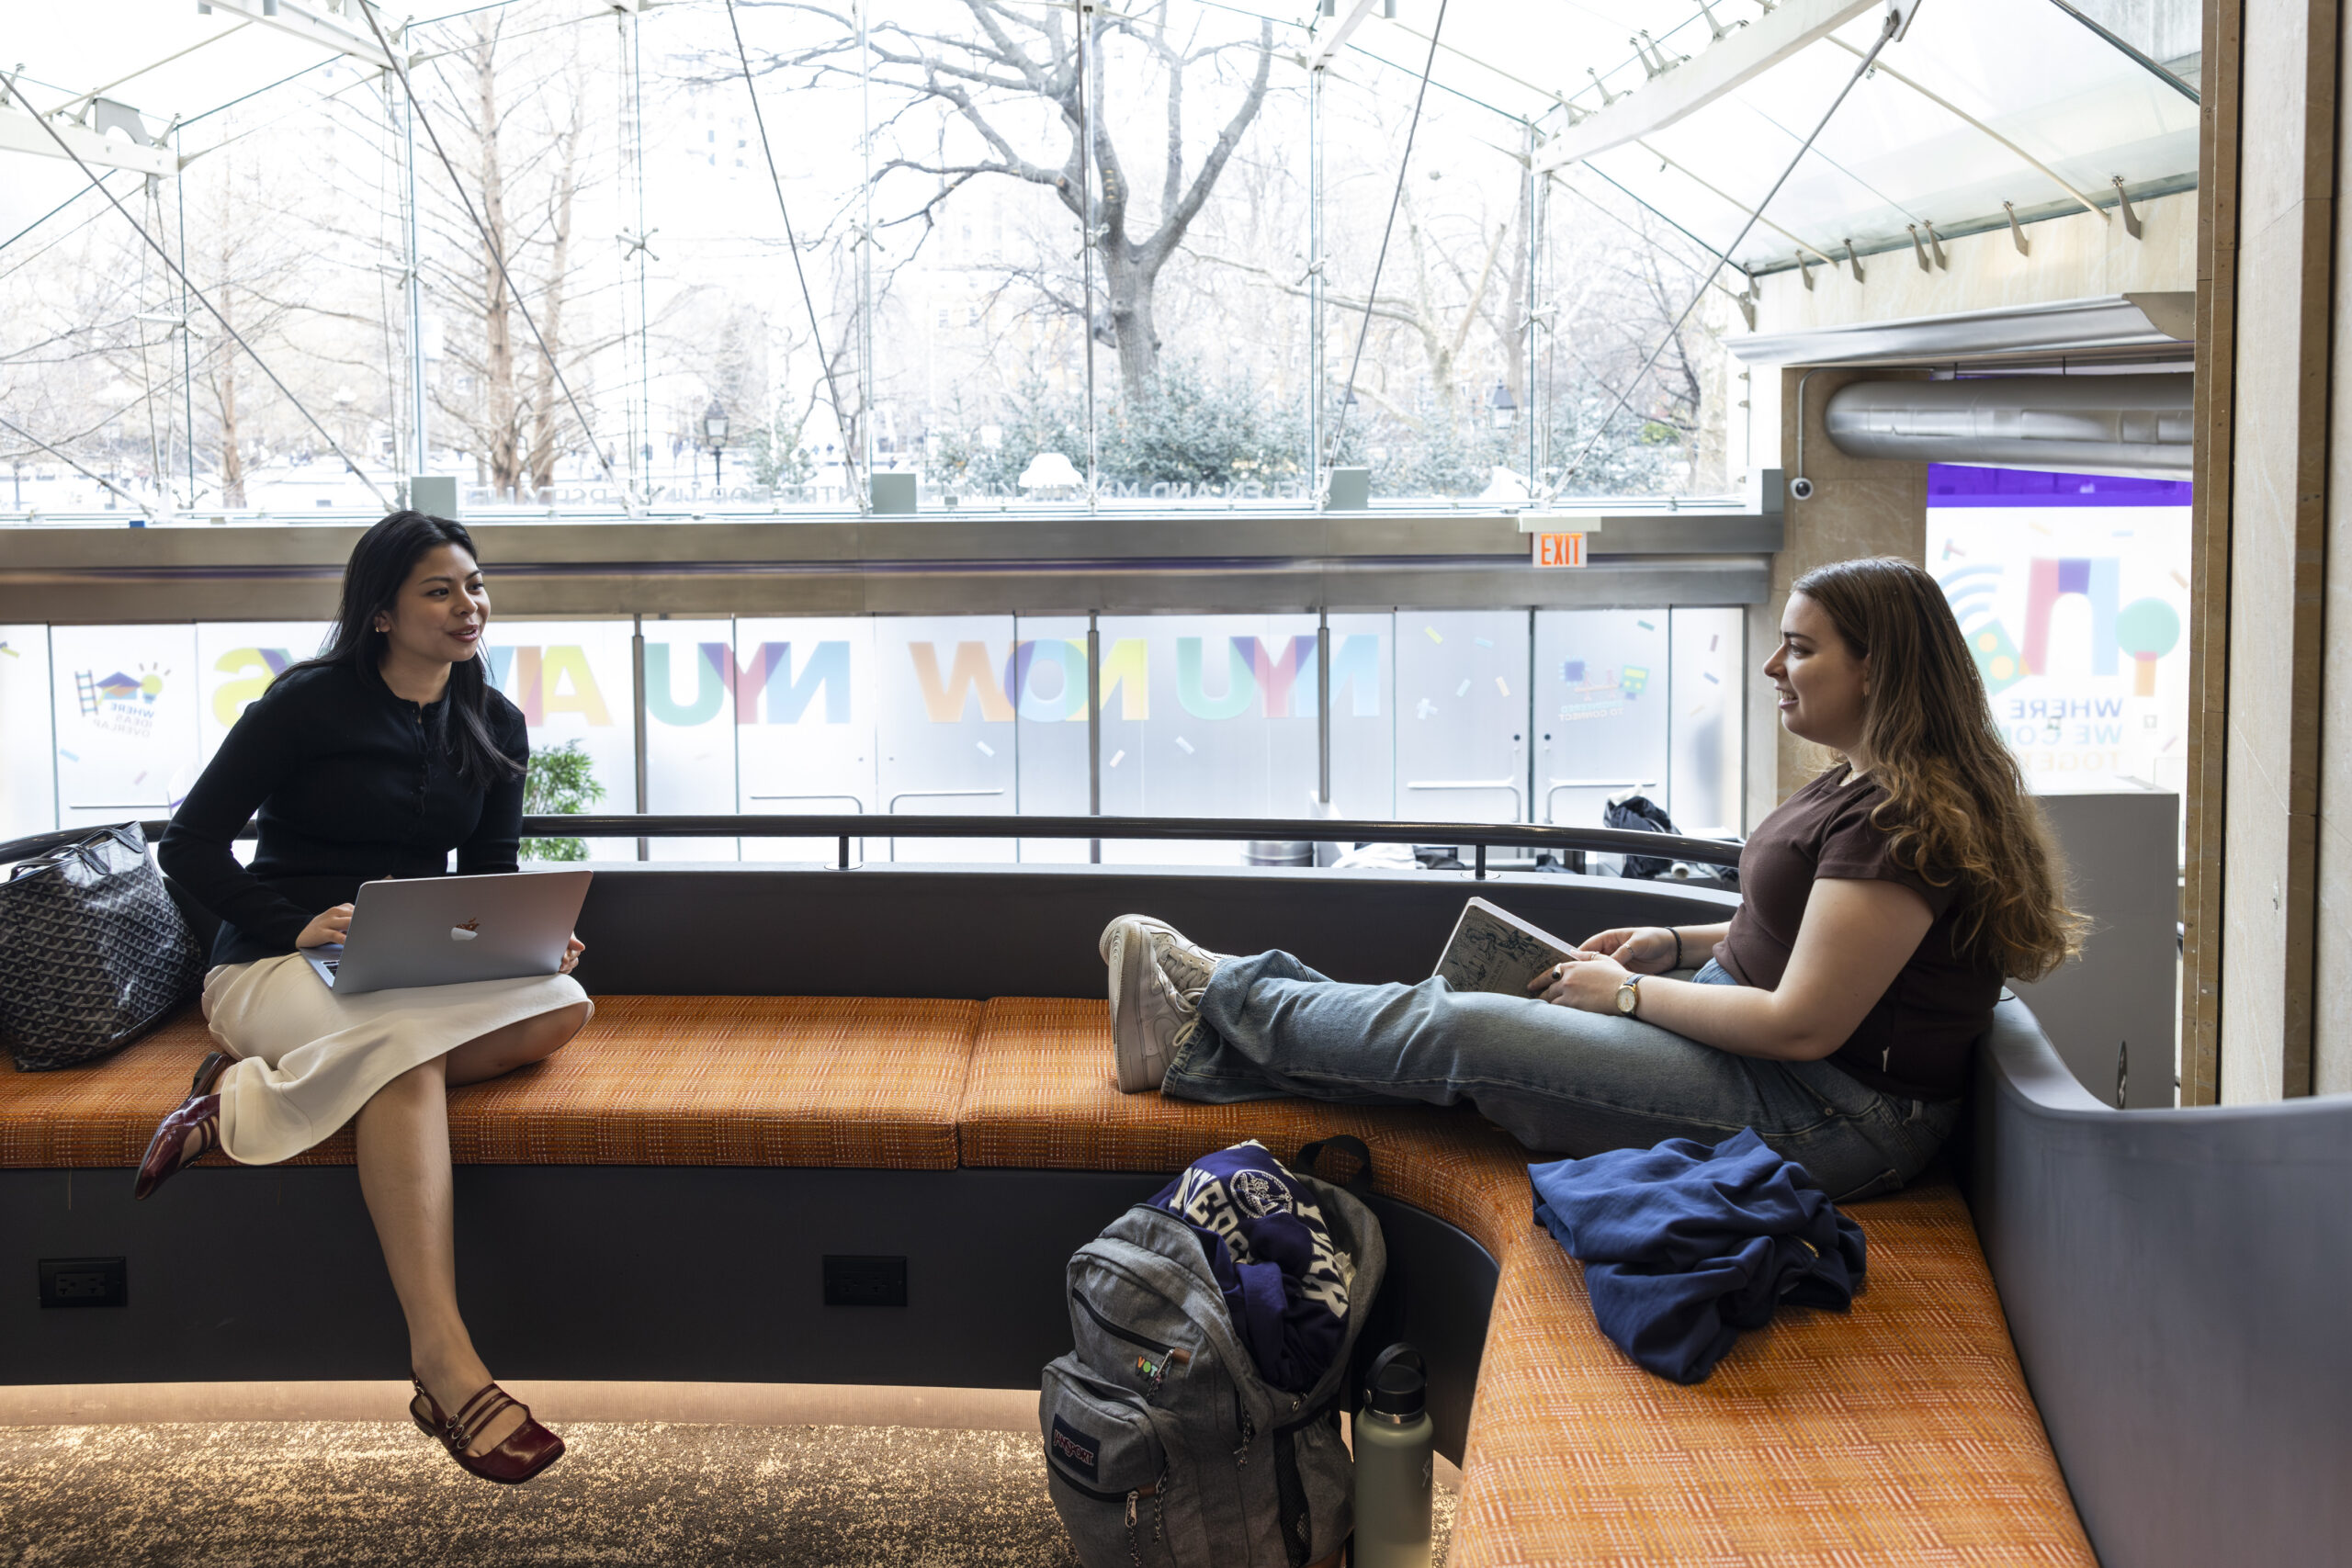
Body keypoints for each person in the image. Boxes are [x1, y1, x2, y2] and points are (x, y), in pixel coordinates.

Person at [1099, 556, 2084, 1202]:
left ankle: (1217, 993)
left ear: (1877, 670)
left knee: (1466, 1030)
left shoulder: (1903, 818)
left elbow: (1804, 1023)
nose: (1774, 662)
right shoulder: (1866, 787)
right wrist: (1670, 945)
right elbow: (1800, 938)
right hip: (1765, 1056)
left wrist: (1628, 994)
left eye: (1803, 645)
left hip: (1826, 1116)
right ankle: (1199, 1035)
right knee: (1467, 1005)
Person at [144, 511, 590, 1485]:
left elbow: (491, 871)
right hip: (269, 964)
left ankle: (240, 1101)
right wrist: (291, 920)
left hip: (406, 972)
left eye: (473, 585)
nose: (467, 606)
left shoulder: (493, 719)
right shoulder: (303, 706)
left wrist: (528, 939)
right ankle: (444, 1363)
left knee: (564, 1005)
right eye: (440, 590)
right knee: (404, 1061)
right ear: (381, 611)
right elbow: (188, 844)